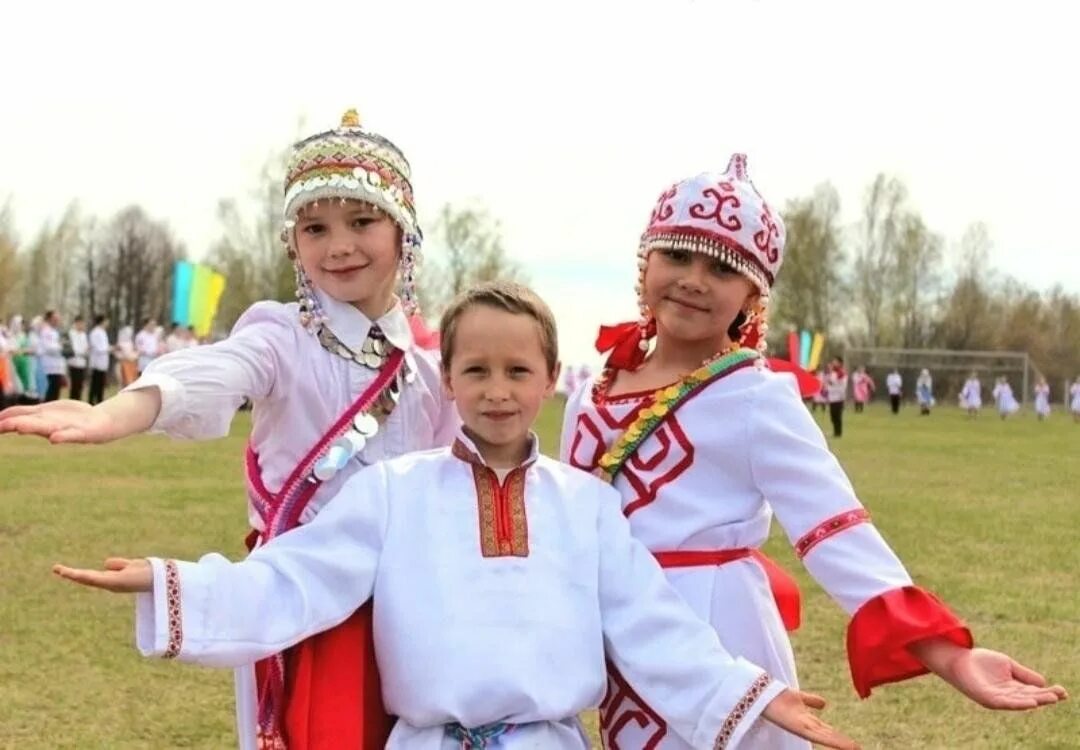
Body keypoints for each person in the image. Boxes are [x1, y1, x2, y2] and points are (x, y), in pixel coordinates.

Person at [54, 281, 859, 750]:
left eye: (518, 369)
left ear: (551, 379)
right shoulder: (395, 492)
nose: (498, 389)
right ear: (449, 381)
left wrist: (750, 696)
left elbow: (651, 626)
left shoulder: (585, 507)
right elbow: (296, 580)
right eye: (476, 369)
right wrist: (173, 585)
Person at [562, 156, 1067, 750]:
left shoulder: (755, 395)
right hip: (620, 631)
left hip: (719, 631)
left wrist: (949, 655)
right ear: (644, 262)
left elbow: (835, 529)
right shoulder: (589, 394)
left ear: (753, 294)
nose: (694, 279)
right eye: (677, 255)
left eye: (722, 267)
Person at [0, 110, 457, 750]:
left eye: (362, 222)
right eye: (315, 228)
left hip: (410, 605)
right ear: (292, 242)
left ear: (403, 231)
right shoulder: (282, 336)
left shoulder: (432, 365)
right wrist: (120, 411)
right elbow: (215, 371)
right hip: (303, 601)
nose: (339, 245)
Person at [39, 310, 67, 402]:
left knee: (56, 392)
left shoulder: (54, 331)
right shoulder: (45, 331)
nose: (57, 321)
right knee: (50, 392)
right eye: (55, 319)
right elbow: (48, 347)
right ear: (49, 319)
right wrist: (60, 346)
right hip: (49, 366)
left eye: (58, 319)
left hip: (57, 366)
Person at [88, 314, 112, 406]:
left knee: (100, 384)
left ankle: (99, 400)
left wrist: (110, 348)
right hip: (96, 363)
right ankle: (91, 401)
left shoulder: (103, 332)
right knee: (95, 384)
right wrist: (110, 349)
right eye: (106, 321)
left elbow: (104, 346)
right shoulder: (95, 332)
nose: (107, 323)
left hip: (102, 363)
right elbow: (99, 348)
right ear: (102, 321)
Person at [67, 315, 89, 401]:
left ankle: (78, 402)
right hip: (73, 363)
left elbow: (86, 348)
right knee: (74, 387)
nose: (82, 326)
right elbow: (74, 349)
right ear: (76, 323)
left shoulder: (83, 335)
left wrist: (84, 351)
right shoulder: (71, 334)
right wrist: (82, 352)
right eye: (81, 323)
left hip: (82, 363)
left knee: (80, 386)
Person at [825, 357, 848, 438]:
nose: (833, 363)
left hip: (838, 397)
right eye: (833, 361)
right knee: (833, 415)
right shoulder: (832, 373)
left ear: (840, 363)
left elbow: (838, 384)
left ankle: (838, 433)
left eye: (835, 362)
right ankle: (835, 432)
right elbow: (828, 382)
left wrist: (842, 395)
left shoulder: (841, 373)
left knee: (837, 416)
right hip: (832, 397)